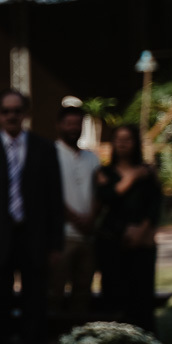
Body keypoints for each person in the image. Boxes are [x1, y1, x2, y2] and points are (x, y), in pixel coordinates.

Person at [0, 89, 63, 344]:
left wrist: (55, 244)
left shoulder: (45, 149)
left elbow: (54, 199)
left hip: (34, 238)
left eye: (17, 111)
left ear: (25, 114)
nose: (12, 116)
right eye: (6, 111)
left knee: (35, 306)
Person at [96, 125, 162, 332]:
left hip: (141, 243)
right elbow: (107, 197)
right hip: (112, 242)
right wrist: (131, 177)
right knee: (114, 295)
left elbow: (155, 205)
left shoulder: (148, 173)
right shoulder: (104, 173)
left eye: (128, 139)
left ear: (135, 143)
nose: (123, 143)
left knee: (141, 297)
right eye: (118, 139)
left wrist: (141, 231)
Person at [52, 105, 101, 314]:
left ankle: (79, 341)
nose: (73, 128)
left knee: (83, 294)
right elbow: (50, 193)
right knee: (55, 293)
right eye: (69, 123)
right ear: (59, 125)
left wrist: (90, 218)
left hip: (88, 237)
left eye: (77, 124)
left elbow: (99, 192)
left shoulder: (92, 158)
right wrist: (74, 218)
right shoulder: (50, 153)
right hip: (62, 237)